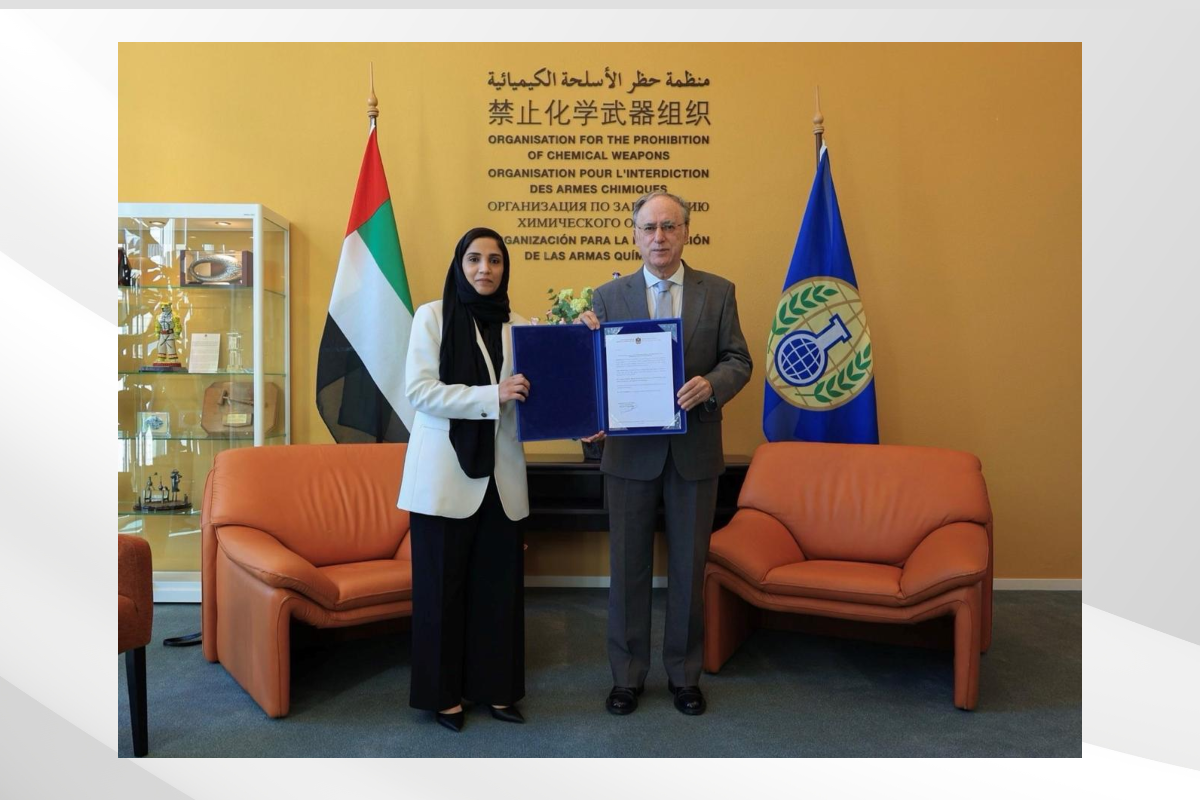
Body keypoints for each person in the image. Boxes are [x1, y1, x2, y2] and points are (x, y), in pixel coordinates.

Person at [584, 191, 752, 717]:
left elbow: (739, 360)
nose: (659, 237)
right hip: (630, 456)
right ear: (634, 235)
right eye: (649, 227)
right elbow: (595, 374)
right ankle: (627, 678)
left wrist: (712, 385)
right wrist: (581, 348)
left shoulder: (718, 293)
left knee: (687, 567)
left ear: (686, 232)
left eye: (669, 227)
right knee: (627, 569)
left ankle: (684, 675)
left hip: (694, 452)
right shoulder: (608, 297)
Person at [396, 227, 532, 732]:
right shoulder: (431, 316)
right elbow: (420, 391)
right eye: (475, 259)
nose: (485, 269)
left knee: (498, 592)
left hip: (503, 479)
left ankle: (497, 691)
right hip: (444, 478)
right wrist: (490, 394)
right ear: (460, 264)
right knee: (440, 593)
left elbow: (537, 394)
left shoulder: (519, 325)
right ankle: (443, 696)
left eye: (495, 261)